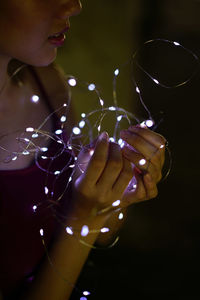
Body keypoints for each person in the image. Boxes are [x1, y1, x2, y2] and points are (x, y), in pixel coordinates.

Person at [0, 0, 166, 299]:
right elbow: (81, 222)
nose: (74, 6)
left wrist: (112, 197)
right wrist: (84, 217)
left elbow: (103, 235)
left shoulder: (48, 83)